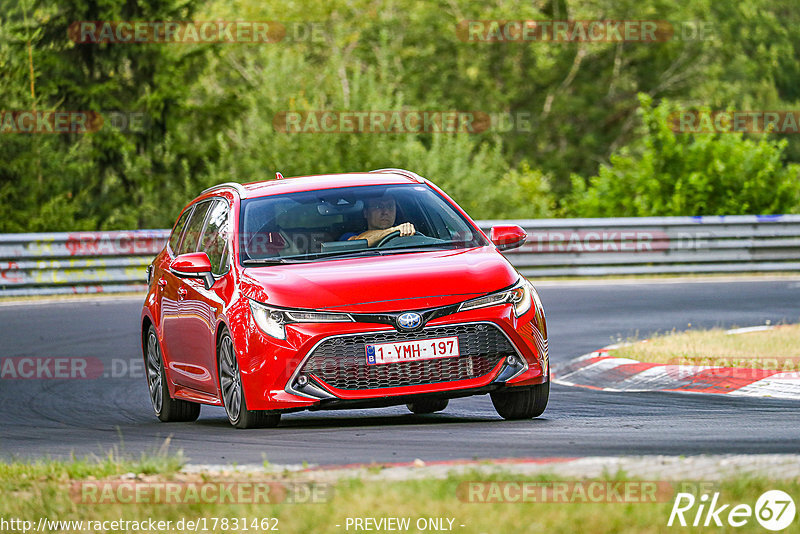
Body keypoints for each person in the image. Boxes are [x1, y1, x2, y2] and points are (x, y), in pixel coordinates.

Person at [342, 194, 415, 246]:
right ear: (366, 213)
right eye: (378, 206)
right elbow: (358, 243)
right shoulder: (349, 236)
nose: (385, 212)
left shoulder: (406, 232)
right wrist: (393, 230)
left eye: (390, 206)